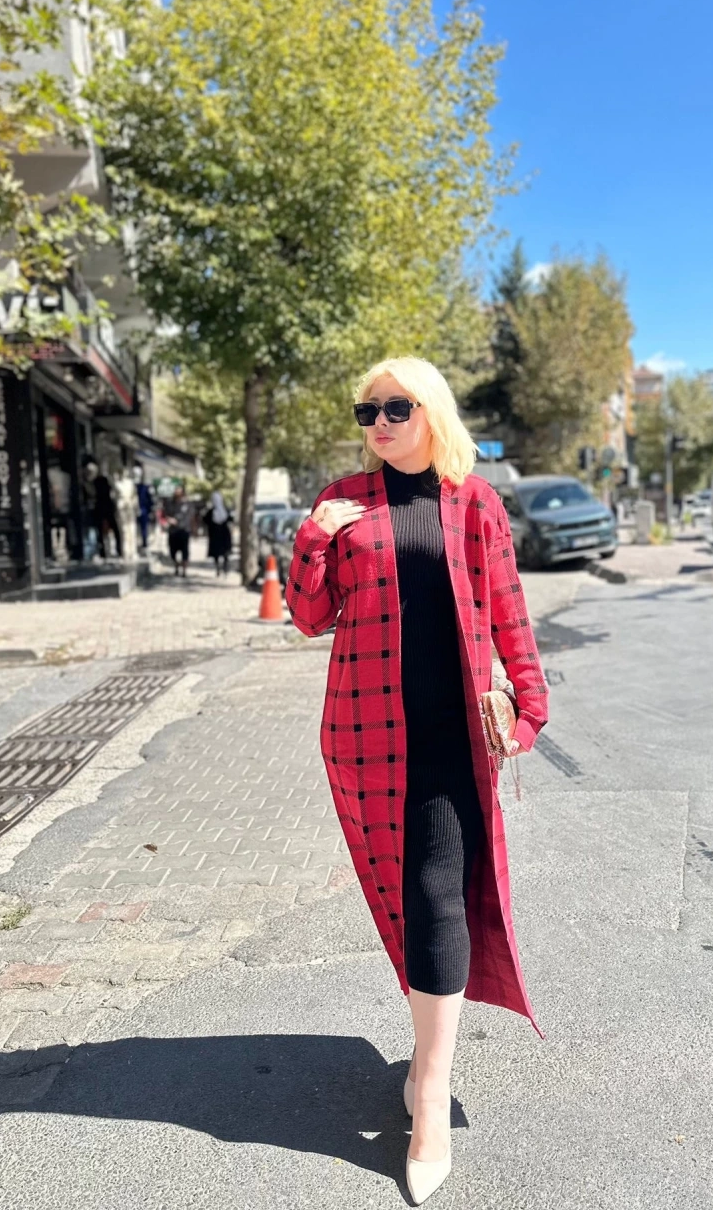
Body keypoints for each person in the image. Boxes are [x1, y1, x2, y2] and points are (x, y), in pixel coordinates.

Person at [285, 356, 548, 1204]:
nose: (379, 423)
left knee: (438, 893)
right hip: (368, 732)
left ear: (432, 411)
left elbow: (508, 608)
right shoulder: (344, 501)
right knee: (403, 893)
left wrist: (530, 703)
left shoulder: (474, 501)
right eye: (367, 411)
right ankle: (424, 1061)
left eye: (396, 407)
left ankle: (429, 1090)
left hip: (453, 736)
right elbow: (309, 616)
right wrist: (313, 538)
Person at [165, 485, 194, 578]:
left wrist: (193, 529)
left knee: (185, 551)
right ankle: (176, 566)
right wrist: (169, 520)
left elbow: (191, 517)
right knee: (172, 551)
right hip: (173, 531)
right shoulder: (170, 504)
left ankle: (184, 570)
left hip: (184, 530)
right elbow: (166, 514)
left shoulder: (188, 504)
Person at [203, 490, 233, 576]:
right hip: (220, 534)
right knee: (221, 552)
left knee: (222, 552)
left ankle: (222, 567)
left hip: (218, 534)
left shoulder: (214, 511)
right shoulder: (221, 510)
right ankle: (221, 568)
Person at [135, 467, 154, 553]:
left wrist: (150, 510)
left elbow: (149, 500)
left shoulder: (145, 488)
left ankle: (144, 543)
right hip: (136, 510)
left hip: (144, 510)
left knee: (144, 528)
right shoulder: (134, 487)